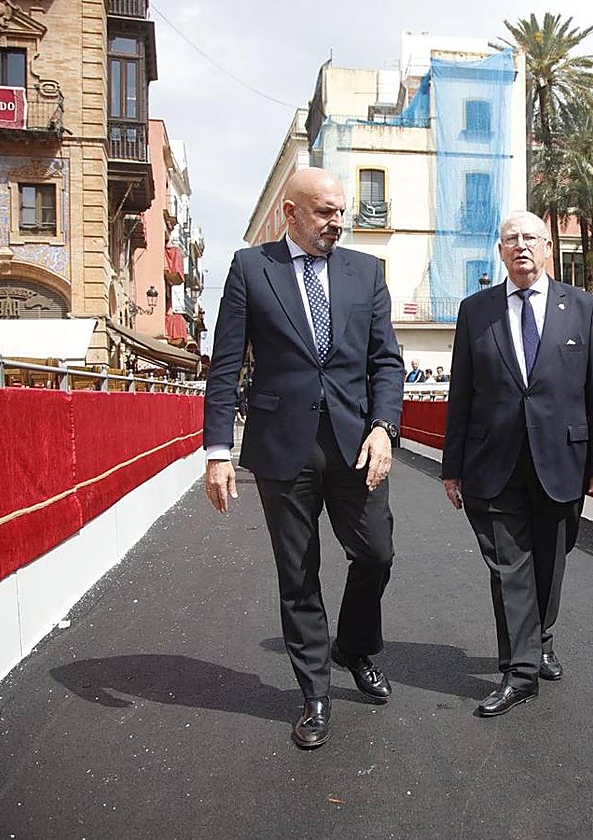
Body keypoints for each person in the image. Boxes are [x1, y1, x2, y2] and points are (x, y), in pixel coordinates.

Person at [203, 167, 404, 749]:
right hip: (280, 447)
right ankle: (314, 694)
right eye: (324, 211)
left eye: (340, 210)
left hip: (356, 443)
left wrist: (385, 428)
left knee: (377, 554)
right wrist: (219, 451)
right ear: (290, 214)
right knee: (299, 575)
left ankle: (355, 645)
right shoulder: (251, 269)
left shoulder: (366, 272)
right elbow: (225, 365)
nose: (337, 221)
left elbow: (385, 361)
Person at [441, 210, 593, 717]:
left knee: (549, 560)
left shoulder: (581, 308)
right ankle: (519, 670)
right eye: (510, 239)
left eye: (530, 238)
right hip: (491, 462)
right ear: (500, 252)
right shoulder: (476, 311)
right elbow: (462, 394)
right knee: (507, 565)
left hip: (562, 457)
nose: (520, 246)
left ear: (547, 249)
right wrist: (451, 466)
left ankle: (541, 637)